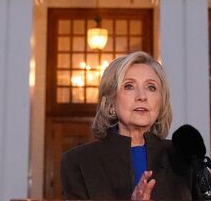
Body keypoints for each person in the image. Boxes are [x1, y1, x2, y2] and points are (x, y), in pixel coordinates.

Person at [60, 51, 202, 200]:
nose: (142, 96)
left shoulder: (185, 156)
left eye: (151, 87)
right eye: (129, 86)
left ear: (161, 103)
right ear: (110, 103)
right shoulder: (78, 161)